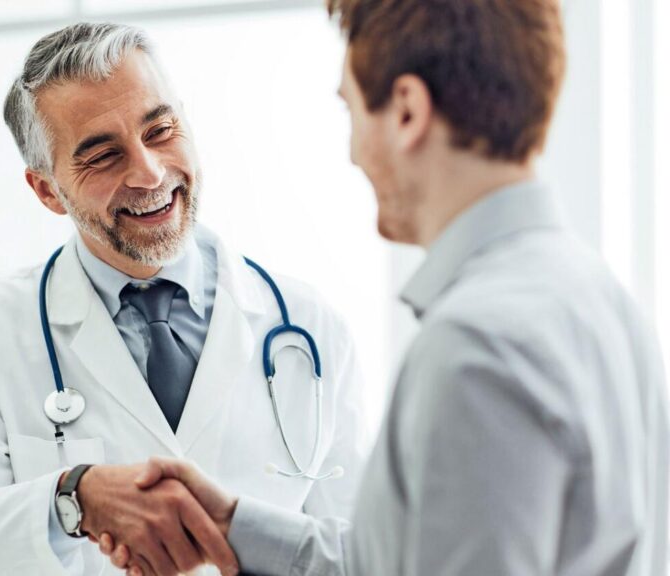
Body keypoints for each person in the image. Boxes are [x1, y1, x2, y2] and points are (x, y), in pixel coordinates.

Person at [100, 0, 670, 574]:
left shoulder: (477, 346)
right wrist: (230, 526)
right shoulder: (600, 297)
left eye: (351, 110)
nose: (352, 153)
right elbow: (405, 557)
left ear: (406, 112)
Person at [0, 22, 367, 576]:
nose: (148, 172)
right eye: (102, 156)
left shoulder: (309, 325)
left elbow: (361, 550)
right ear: (48, 189)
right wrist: (73, 496)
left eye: (160, 130)